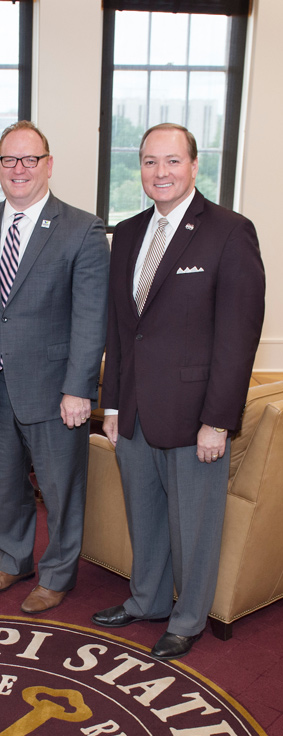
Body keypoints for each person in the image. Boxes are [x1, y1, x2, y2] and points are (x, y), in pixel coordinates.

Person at [92, 123, 266, 660]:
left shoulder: (229, 231)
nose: (160, 172)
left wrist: (218, 419)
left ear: (194, 166)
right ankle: (146, 599)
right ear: (138, 168)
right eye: (149, 161)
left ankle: (187, 618)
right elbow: (122, 330)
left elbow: (238, 337)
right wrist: (113, 405)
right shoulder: (126, 232)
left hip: (196, 417)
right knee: (143, 514)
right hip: (136, 410)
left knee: (194, 526)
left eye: (171, 161)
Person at [0, 120, 109, 614]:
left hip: (55, 390)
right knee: (4, 482)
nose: (19, 169)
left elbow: (92, 318)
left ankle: (56, 574)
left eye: (30, 159)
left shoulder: (82, 228)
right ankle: (12, 560)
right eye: (9, 159)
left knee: (59, 489)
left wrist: (80, 388)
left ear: (48, 165)